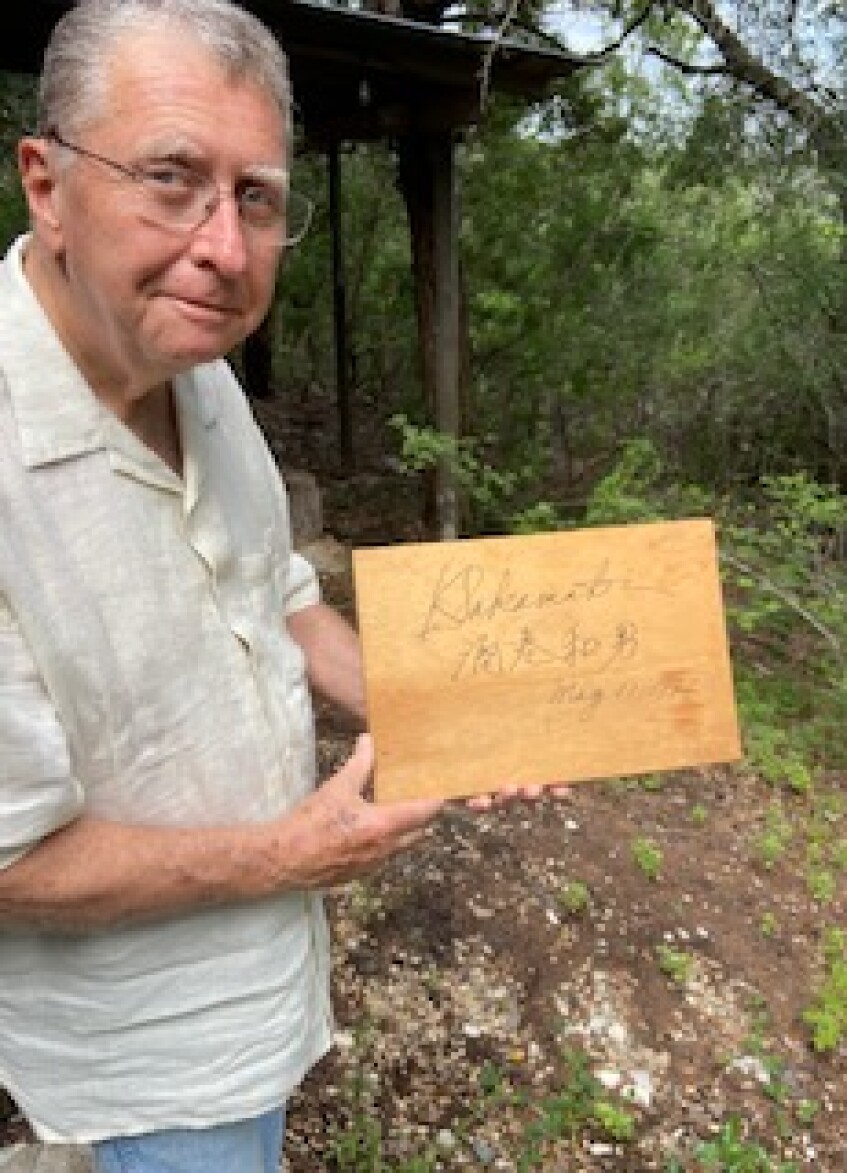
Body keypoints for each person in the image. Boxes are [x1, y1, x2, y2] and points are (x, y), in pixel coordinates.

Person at [0, 2, 558, 1169]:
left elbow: (281, 595)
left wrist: (445, 706)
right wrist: (289, 855)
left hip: (260, 991)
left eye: (255, 196)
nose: (226, 247)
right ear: (46, 185)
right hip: (141, 1054)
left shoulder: (193, 370)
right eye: (170, 177)